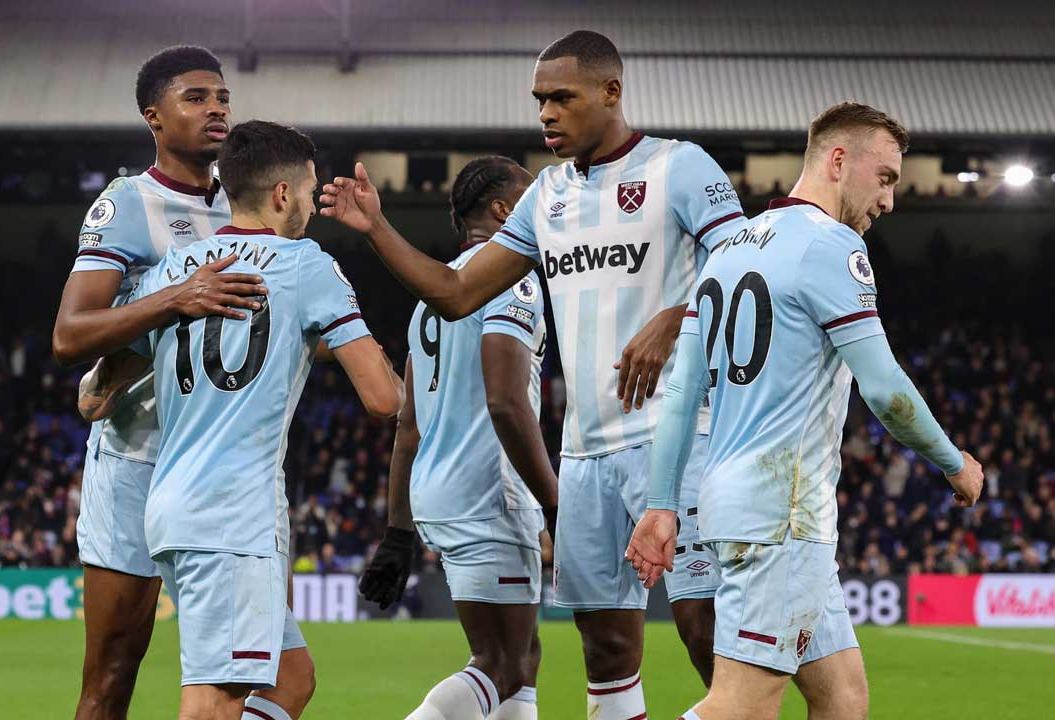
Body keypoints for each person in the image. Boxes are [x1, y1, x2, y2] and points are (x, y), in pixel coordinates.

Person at [321, 30, 742, 715]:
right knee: (603, 648)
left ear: (612, 93)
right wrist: (378, 229)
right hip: (584, 457)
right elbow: (456, 292)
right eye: (540, 100)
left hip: (677, 436)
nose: (546, 113)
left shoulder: (681, 168)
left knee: (704, 628)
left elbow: (746, 262)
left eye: (562, 97)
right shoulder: (545, 196)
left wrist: (677, 318)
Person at [624, 102, 986, 720]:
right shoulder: (832, 247)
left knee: (842, 698)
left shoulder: (728, 250)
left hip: (743, 506)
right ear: (838, 161)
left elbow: (684, 394)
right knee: (742, 706)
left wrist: (662, 504)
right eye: (886, 178)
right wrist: (955, 464)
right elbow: (888, 392)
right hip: (781, 517)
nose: (889, 200)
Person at [51, 46, 313, 720]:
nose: (216, 108)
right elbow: (69, 334)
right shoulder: (129, 202)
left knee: (270, 676)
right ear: (155, 118)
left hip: (234, 476)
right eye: (196, 98)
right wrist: (175, 299)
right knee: (111, 674)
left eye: (222, 97)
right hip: (138, 461)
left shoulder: (255, 200)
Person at [122, 119, 403, 720]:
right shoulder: (306, 263)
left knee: (291, 679)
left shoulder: (178, 271)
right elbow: (382, 399)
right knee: (214, 702)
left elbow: (94, 396)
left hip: (173, 506)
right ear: (281, 196)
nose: (310, 205)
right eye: (306, 192)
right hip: (232, 517)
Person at [360, 157, 558, 720]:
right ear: (504, 210)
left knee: (523, 657)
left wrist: (398, 532)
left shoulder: (432, 300)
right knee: (500, 661)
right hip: (487, 491)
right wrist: (554, 501)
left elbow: (409, 424)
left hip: (439, 493)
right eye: (530, 196)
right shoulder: (510, 278)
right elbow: (505, 399)